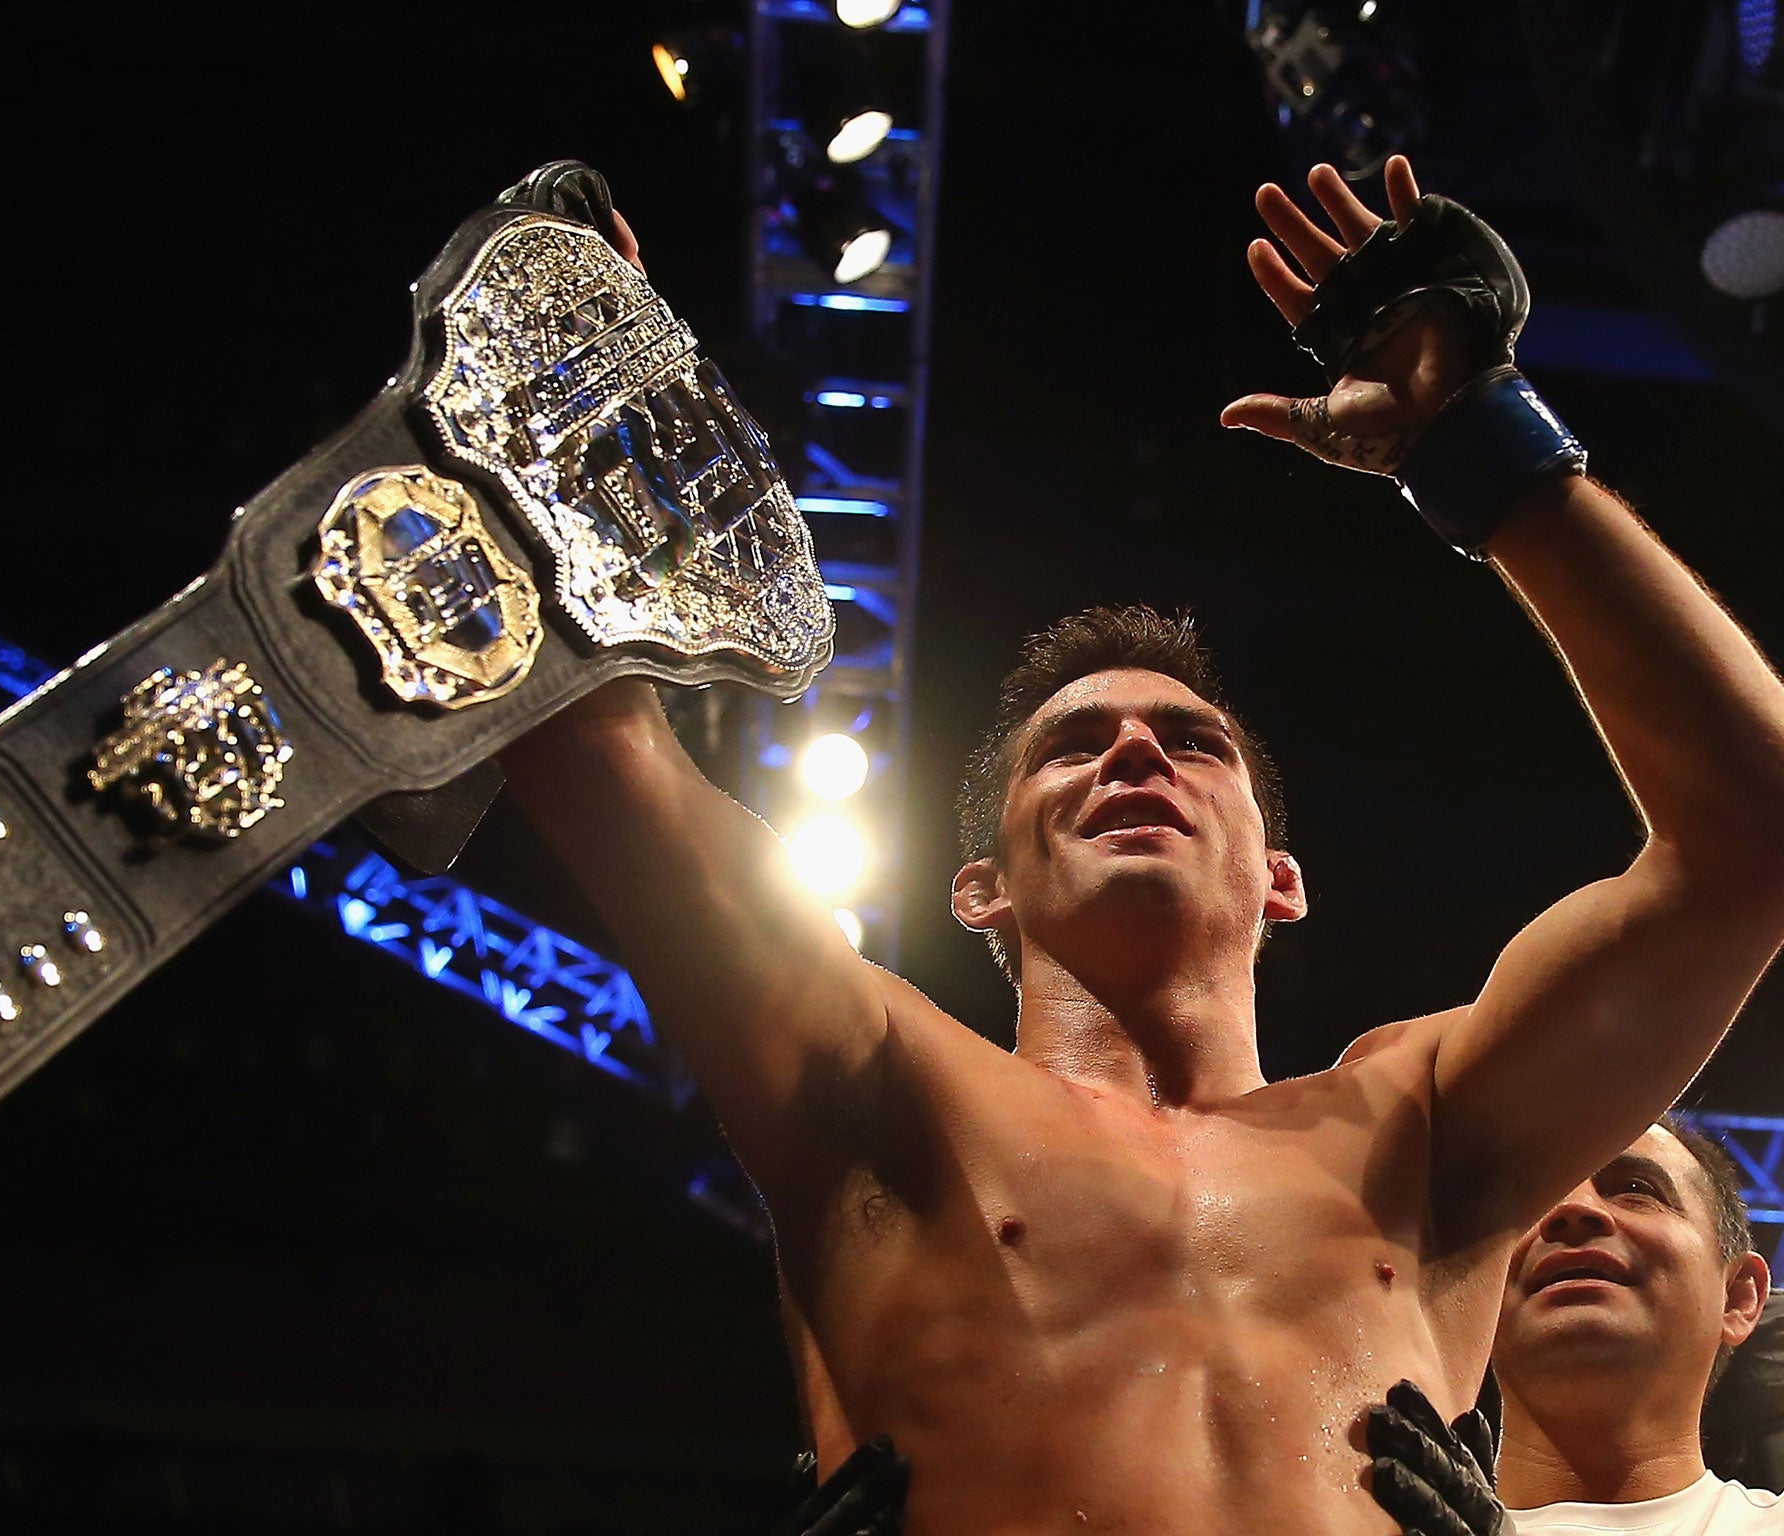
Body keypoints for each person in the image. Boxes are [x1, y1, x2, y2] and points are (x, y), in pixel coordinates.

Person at [500, 156, 1784, 1534]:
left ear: (1281, 878)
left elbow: (1755, 840)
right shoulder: (882, 1086)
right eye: (1072, 746)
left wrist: (1488, 449)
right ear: (978, 886)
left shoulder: (1418, 1128)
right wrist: (551, 414)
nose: (1131, 753)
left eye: (1194, 744)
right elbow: (595, 752)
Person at [1367, 1118, 1780, 1534]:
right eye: (1534, 1199)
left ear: (1738, 1297)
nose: (1571, 1210)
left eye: (1635, 1189)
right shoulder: (1354, 1521)